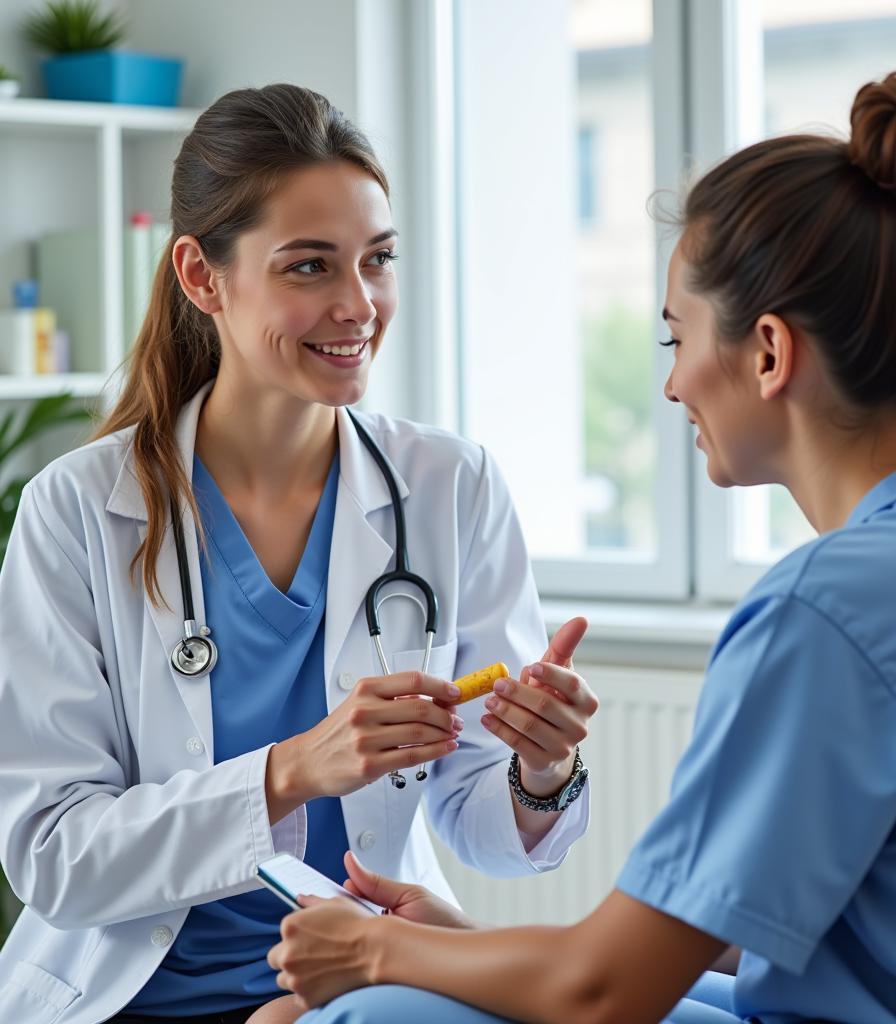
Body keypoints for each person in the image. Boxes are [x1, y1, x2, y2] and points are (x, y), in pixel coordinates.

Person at [263, 71, 896, 1024]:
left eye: (676, 340)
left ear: (770, 354)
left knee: (359, 1018)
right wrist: (447, 951)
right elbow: (721, 949)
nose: (672, 389)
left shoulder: (828, 610)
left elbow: (607, 993)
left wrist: (378, 951)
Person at [0, 84, 598, 1024]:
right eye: (310, 267)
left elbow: (480, 828)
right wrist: (290, 770)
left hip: (359, 985)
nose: (358, 305)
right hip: (124, 999)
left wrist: (539, 772)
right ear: (203, 277)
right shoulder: (77, 512)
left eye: (379, 261)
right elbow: (52, 855)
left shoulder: (450, 486)